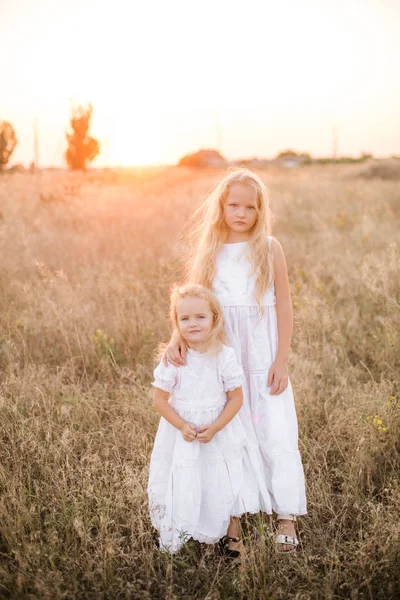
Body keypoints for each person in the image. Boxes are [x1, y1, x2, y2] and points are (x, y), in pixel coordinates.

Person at [163, 168, 307, 552]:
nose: (241, 213)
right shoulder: (210, 247)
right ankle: (233, 517)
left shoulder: (270, 248)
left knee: (274, 428)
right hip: (222, 353)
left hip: (262, 353)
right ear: (221, 207)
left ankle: (286, 516)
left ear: (261, 210)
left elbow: (285, 305)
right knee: (231, 429)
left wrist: (281, 359)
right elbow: (192, 301)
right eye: (233, 205)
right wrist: (178, 337)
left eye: (250, 207)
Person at [148, 283, 262, 556]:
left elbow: (236, 398)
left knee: (226, 480)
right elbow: (159, 400)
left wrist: (216, 427)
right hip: (184, 434)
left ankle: (231, 539)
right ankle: (192, 533)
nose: (193, 323)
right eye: (185, 319)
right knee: (189, 481)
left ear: (214, 318)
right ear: (176, 323)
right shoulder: (174, 359)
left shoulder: (224, 356)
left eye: (200, 317)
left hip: (218, 431)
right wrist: (181, 425)